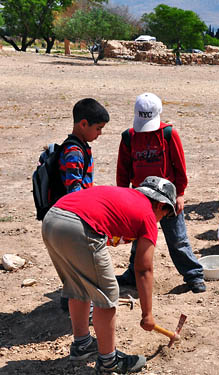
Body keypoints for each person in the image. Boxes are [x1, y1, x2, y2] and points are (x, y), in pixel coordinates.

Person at [42, 176, 177, 373]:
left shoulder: (126, 196)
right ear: (160, 205)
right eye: (165, 214)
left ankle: (82, 345)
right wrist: (147, 315)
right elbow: (143, 268)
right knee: (107, 294)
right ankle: (108, 362)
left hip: (53, 218)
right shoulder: (148, 213)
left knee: (78, 286)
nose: (161, 219)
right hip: (78, 226)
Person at [116, 93, 206, 293]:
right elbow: (122, 172)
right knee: (138, 238)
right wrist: (123, 198)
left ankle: (193, 274)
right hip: (139, 198)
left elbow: (180, 167)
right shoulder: (129, 137)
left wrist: (180, 194)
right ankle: (133, 273)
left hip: (167, 197)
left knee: (178, 238)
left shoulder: (168, 134)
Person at [59, 98, 109, 312]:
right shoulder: (74, 152)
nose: (100, 134)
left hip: (70, 215)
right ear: (83, 124)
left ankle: (67, 300)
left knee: (72, 265)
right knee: (84, 266)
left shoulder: (80, 147)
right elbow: (74, 190)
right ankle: (85, 310)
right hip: (74, 217)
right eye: (98, 129)